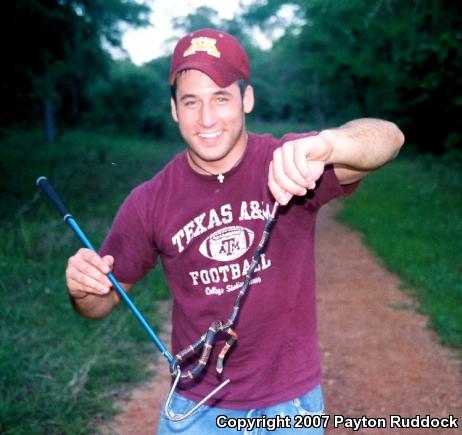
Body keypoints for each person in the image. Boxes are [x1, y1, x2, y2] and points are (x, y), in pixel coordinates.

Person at [65, 28, 404, 434]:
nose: (206, 119)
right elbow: (99, 303)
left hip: (290, 406)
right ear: (174, 110)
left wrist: (330, 145)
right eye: (191, 102)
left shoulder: (290, 163)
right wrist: (84, 290)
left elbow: (389, 137)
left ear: (247, 99)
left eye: (221, 98)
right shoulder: (149, 200)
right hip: (196, 408)